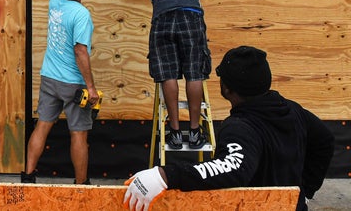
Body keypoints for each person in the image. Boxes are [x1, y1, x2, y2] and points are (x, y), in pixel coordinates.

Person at [124, 46, 335, 211]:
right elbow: (325, 140)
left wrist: (165, 175)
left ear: (227, 88)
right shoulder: (292, 109)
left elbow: (233, 168)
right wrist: (304, 190)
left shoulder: (241, 127)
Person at [93, 0, 210, 150]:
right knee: (194, 73)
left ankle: (175, 133)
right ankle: (196, 132)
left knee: (168, 73)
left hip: (163, 17)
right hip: (191, 13)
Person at [21, 0, 99, 185]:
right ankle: (81, 185)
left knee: (42, 126)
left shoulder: (56, 0)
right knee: (79, 135)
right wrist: (91, 87)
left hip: (49, 78)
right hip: (74, 84)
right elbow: (80, 52)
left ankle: (28, 176)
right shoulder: (81, 14)